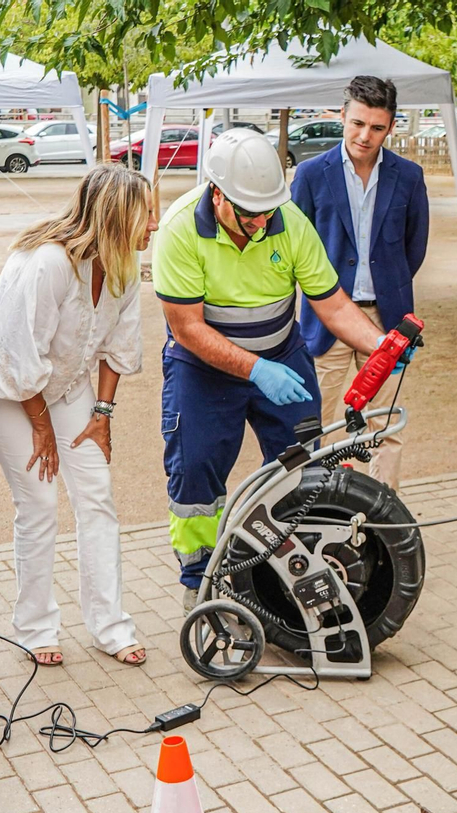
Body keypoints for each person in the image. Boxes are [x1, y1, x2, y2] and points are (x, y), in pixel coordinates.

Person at [152, 128, 392, 603]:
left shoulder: (288, 220)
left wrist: (381, 344)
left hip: (282, 354)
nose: (261, 222)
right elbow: (188, 329)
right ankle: (201, 577)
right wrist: (255, 371)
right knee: (196, 470)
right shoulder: (180, 229)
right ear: (217, 194)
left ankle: (281, 560)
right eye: (249, 213)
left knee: (302, 465)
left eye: (267, 211)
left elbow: (333, 305)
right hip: (202, 367)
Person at [0, 165, 153, 668]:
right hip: (0, 379)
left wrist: (102, 415)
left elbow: (117, 348)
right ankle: (35, 627)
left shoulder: (125, 264)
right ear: (116, 216)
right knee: (40, 500)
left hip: (63, 379)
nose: (155, 224)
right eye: (147, 213)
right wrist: (42, 428)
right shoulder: (48, 263)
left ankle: (110, 625)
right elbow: (17, 359)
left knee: (97, 494)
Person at [291, 75, 429, 490]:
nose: (364, 136)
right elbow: (298, 244)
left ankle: (383, 516)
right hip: (326, 319)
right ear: (342, 116)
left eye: (376, 127)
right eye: (357, 124)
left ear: (391, 126)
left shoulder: (409, 176)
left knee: (385, 426)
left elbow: (414, 247)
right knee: (321, 423)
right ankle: (323, 506)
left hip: (387, 320)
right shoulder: (312, 174)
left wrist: (390, 287)